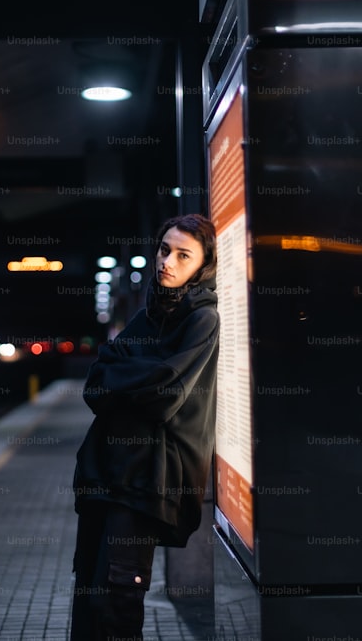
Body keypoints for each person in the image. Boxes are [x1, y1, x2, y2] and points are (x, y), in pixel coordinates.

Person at [71, 213, 220, 641]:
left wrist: (125, 374)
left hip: (149, 480)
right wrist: (134, 377)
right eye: (164, 249)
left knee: (118, 599)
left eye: (182, 255)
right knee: (88, 592)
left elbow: (164, 396)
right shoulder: (150, 314)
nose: (167, 261)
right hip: (106, 472)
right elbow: (95, 384)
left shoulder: (201, 319)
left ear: (202, 264)